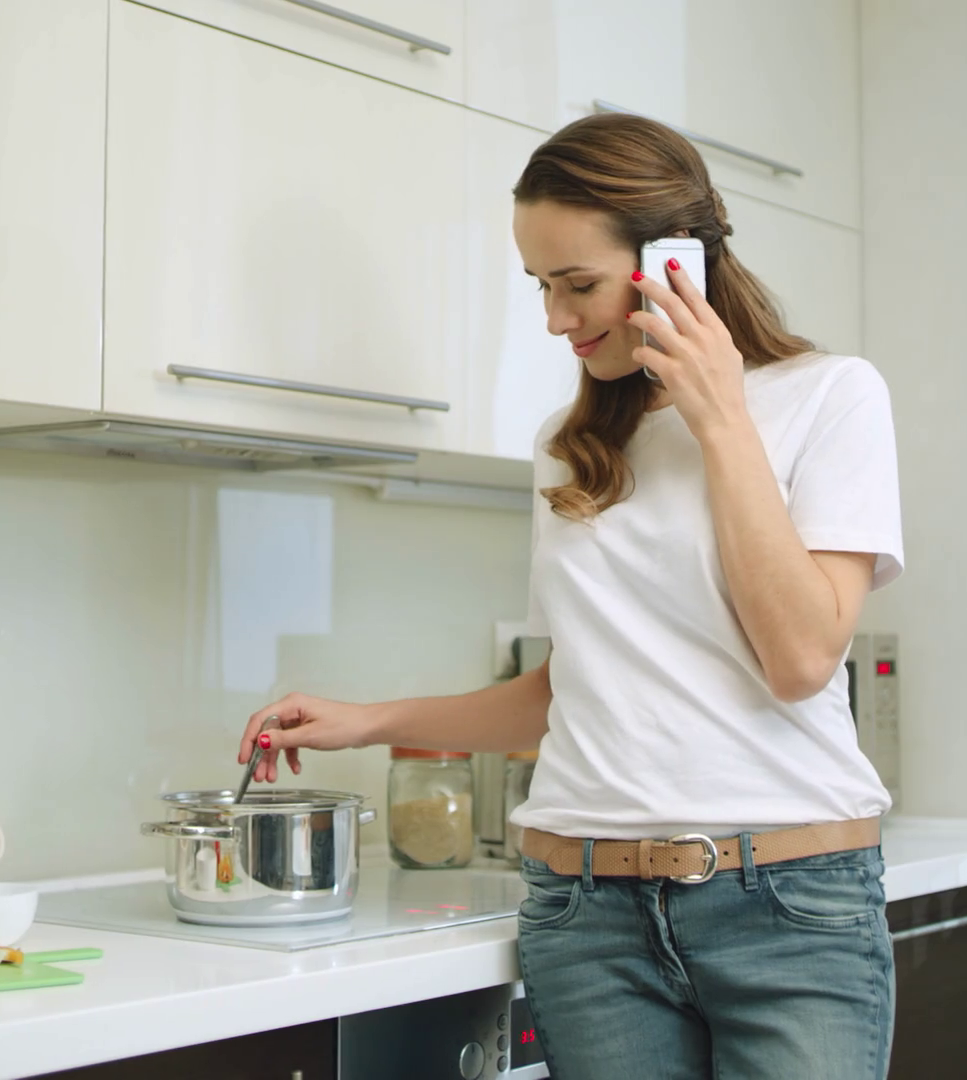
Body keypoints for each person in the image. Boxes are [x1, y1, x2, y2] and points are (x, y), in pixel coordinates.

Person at [236, 112, 904, 1080]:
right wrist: (369, 720)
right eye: (541, 287)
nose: (555, 318)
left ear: (676, 258)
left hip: (791, 908)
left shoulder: (832, 399)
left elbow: (803, 658)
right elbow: (569, 689)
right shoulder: (567, 443)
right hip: (589, 918)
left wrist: (720, 421)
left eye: (577, 284)